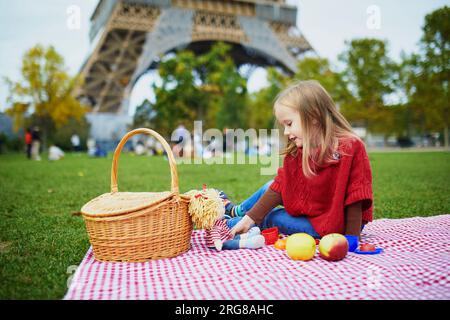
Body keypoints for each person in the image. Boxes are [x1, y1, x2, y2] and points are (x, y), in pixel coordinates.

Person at [219, 80, 373, 244]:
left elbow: (356, 195)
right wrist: (249, 218)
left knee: (272, 217)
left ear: (313, 116)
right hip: (315, 209)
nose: (286, 132)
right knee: (271, 186)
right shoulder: (297, 150)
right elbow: (280, 187)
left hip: (336, 225)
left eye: (289, 124)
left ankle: (227, 225)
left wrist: (351, 238)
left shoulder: (351, 147)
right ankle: (239, 213)